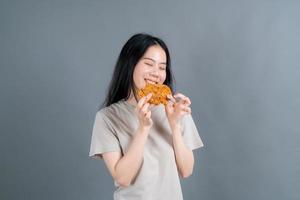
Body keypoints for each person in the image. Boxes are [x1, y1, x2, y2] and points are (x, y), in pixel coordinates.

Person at [89, 33, 204, 200]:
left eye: (162, 67)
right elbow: (123, 178)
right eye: (149, 64)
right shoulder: (107, 118)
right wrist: (143, 128)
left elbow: (186, 170)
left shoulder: (175, 110)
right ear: (130, 64)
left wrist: (175, 125)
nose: (156, 73)